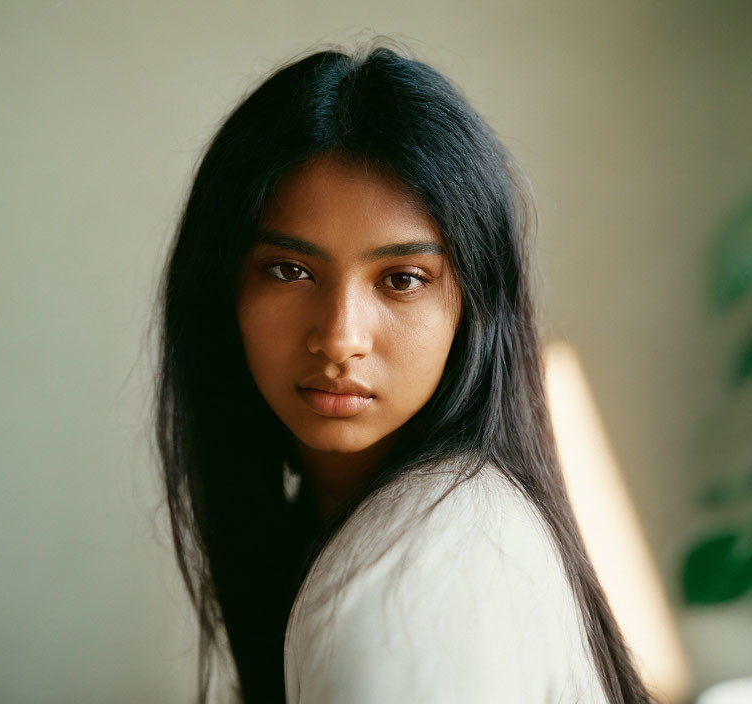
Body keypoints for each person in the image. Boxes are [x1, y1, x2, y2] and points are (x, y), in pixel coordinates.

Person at [153, 40, 656, 704]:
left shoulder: (418, 579)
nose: (339, 338)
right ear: (223, 290)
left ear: (474, 304)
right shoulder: (380, 531)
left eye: (401, 280)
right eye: (290, 270)